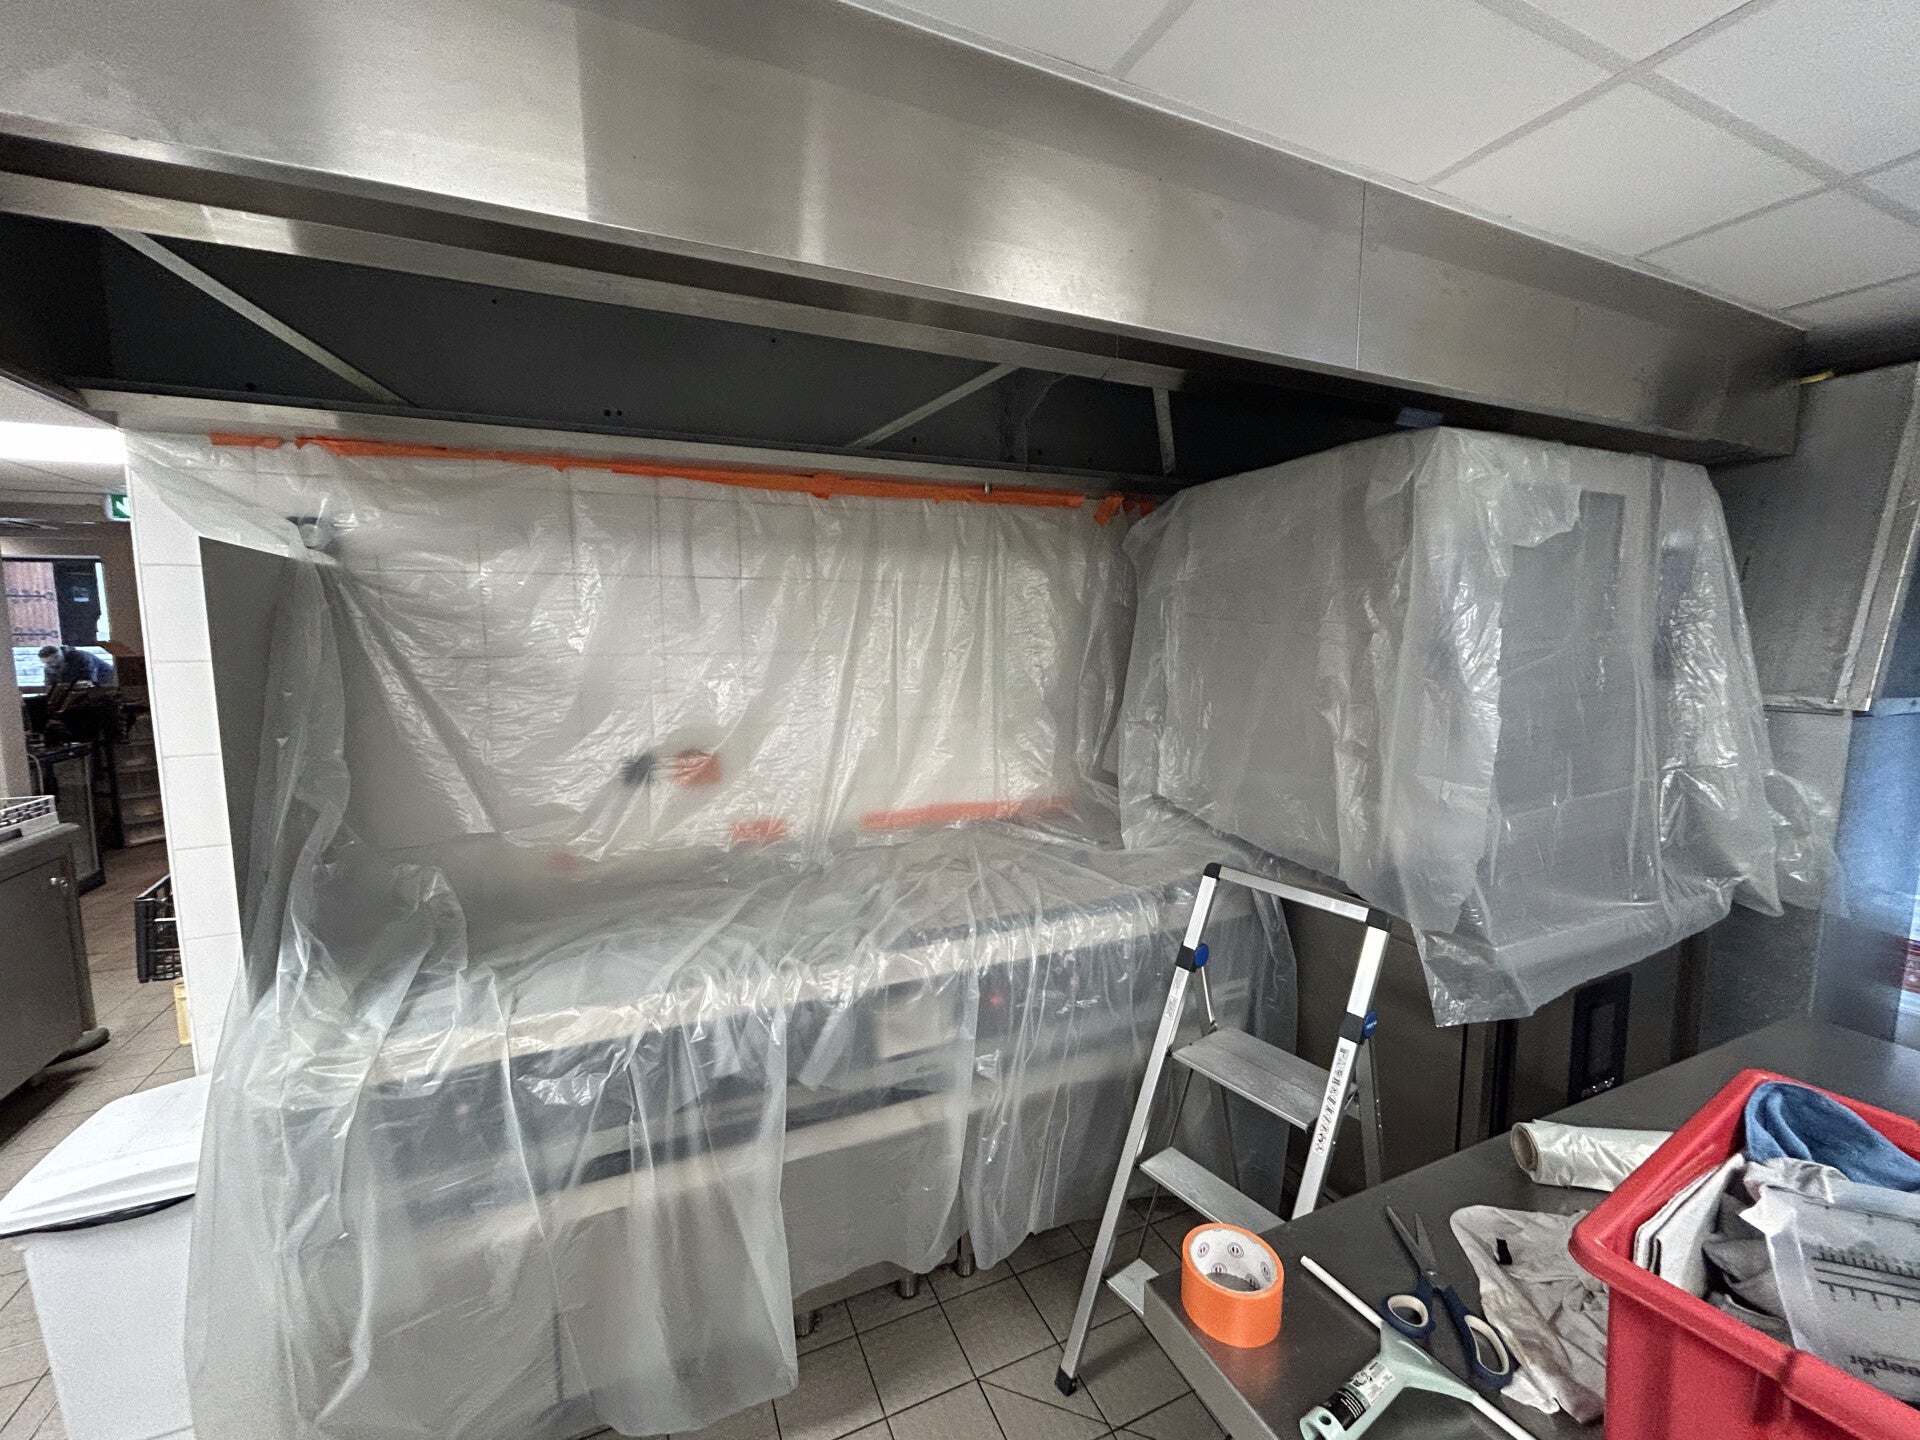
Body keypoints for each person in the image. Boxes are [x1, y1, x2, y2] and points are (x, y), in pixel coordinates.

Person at [37, 644, 113, 689]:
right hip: (76, 687)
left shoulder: (81, 657)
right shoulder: (50, 667)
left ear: (57, 656)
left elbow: (89, 680)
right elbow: (50, 686)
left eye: (50, 662)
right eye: (46, 663)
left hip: (107, 683)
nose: (49, 665)